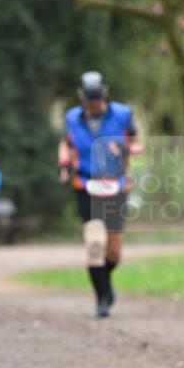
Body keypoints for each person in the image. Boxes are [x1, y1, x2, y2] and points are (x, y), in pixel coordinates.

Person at [58, 71, 142, 318]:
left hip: (116, 185)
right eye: (89, 102)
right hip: (86, 184)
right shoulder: (72, 117)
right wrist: (64, 162)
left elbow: (138, 143)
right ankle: (102, 298)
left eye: (97, 101)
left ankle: (105, 284)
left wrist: (125, 149)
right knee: (95, 244)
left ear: (104, 95)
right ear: (82, 97)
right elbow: (66, 144)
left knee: (113, 252)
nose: (94, 106)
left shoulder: (122, 114)